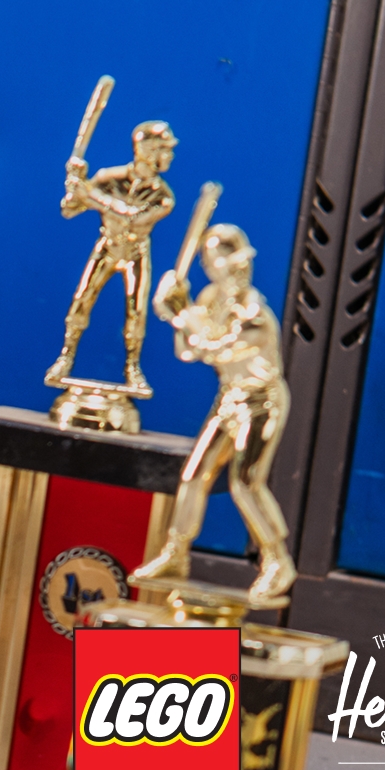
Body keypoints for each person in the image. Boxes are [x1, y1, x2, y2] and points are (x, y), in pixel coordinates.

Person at [133, 224, 297, 603]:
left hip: (261, 401)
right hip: (229, 398)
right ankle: (176, 553)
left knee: (245, 481)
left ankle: (277, 561)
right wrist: (180, 313)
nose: (238, 269)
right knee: (194, 474)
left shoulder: (254, 314)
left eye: (240, 262)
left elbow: (214, 349)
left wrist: (181, 314)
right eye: (225, 263)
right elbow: (187, 352)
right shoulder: (211, 299)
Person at [44, 121, 177, 392]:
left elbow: (132, 218)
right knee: (82, 299)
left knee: (136, 311)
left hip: (136, 252)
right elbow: (69, 210)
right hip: (107, 246)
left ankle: (133, 367)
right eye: (164, 149)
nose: (169, 156)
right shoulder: (109, 177)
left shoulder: (163, 196)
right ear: (147, 151)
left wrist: (90, 194)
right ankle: (65, 357)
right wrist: (74, 187)